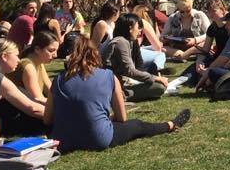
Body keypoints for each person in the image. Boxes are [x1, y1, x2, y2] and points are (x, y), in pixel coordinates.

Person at [45, 33, 190, 154]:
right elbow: (122, 117)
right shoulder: (108, 76)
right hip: (97, 138)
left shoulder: (58, 79)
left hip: (63, 140)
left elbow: (47, 119)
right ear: (94, 54)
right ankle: (170, 125)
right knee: (137, 125)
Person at [107, 13, 168, 96]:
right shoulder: (121, 42)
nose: (140, 31)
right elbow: (130, 71)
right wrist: (155, 78)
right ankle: (122, 96)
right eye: (138, 27)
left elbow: (137, 66)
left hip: (122, 81)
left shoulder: (128, 41)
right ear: (130, 28)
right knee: (159, 87)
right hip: (114, 85)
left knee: (158, 86)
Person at [13, 29, 59, 103]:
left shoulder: (40, 63)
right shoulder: (28, 66)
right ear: (37, 49)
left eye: (56, 51)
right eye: (51, 51)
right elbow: (38, 99)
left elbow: (50, 91)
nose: (55, 55)